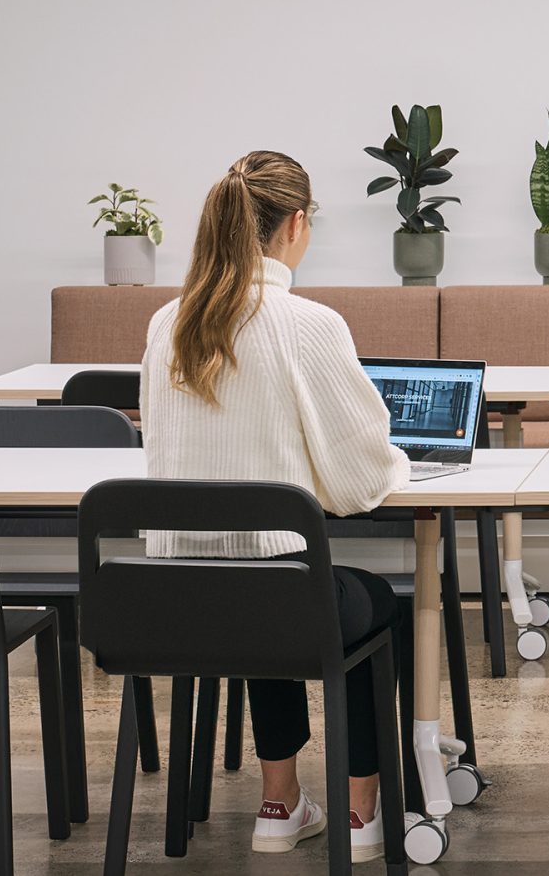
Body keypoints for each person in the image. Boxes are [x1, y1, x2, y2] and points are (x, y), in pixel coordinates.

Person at [140, 150, 409, 860]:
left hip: (172, 605)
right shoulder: (308, 324)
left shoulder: (165, 324)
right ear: (296, 223)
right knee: (358, 598)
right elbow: (359, 481)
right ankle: (359, 815)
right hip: (279, 599)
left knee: (257, 576)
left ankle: (279, 801)